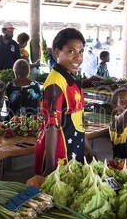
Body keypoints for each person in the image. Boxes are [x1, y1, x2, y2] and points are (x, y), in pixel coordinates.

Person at [35, 28, 94, 176]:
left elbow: (77, 120)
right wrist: (50, 167)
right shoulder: (55, 84)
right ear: (56, 52)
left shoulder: (72, 79)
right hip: (60, 156)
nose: (78, 57)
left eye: (80, 52)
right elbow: (51, 127)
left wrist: (87, 149)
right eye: (71, 51)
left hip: (75, 149)